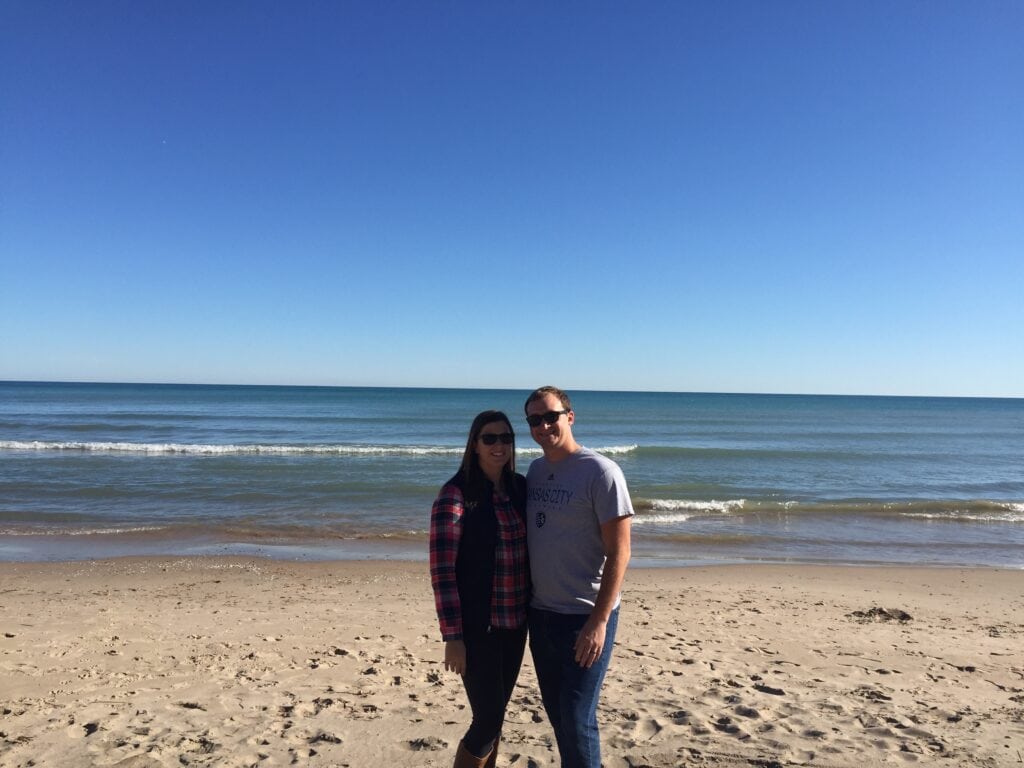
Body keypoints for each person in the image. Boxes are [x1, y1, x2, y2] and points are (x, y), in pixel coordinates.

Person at [523, 386, 634, 768]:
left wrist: (599, 621)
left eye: (550, 416)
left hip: (584, 617)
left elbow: (621, 551)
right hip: (541, 616)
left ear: (570, 417)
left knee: (576, 717)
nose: (543, 425)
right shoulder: (536, 471)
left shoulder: (601, 472)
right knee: (559, 718)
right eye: (534, 420)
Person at [430, 410, 530, 768]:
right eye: (490, 438)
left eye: (506, 438)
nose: (499, 445)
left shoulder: (520, 489)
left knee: (497, 716)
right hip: (477, 629)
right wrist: (452, 636)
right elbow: (442, 572)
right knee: (486, 720)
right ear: (474, 444)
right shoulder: (455, 495)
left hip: (516, 624)